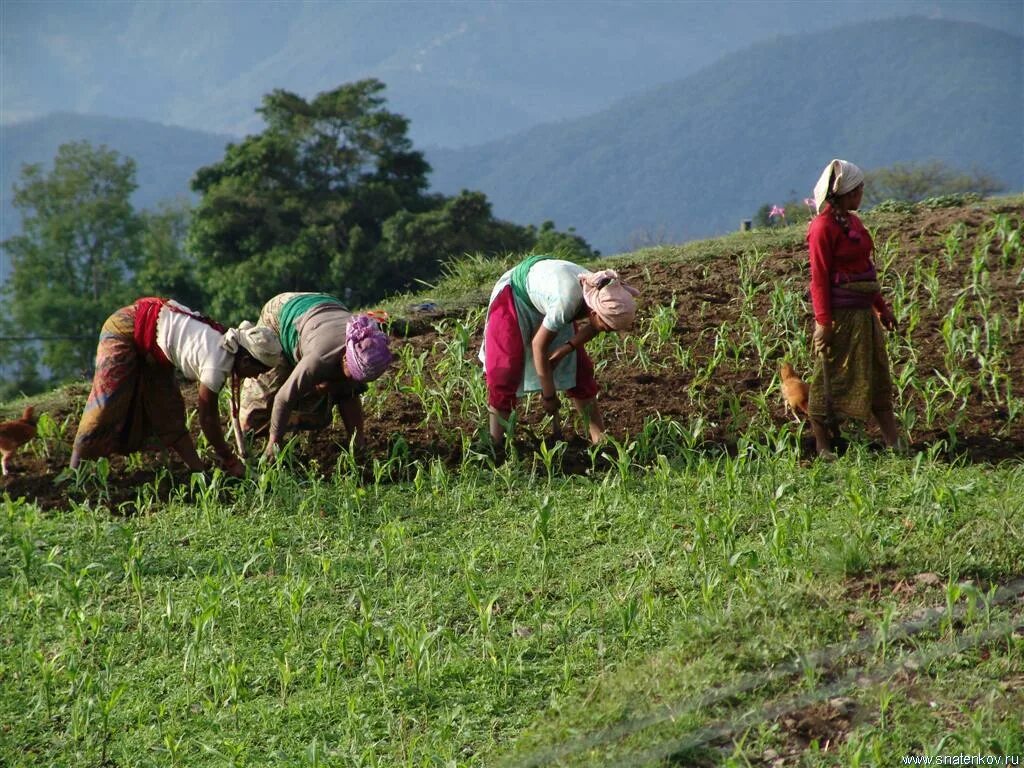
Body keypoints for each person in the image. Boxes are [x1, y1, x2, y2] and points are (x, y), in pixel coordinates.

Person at [71, 297, 283, 477]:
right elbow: (207, 418)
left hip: (156, 348)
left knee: (170, 413)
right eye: (258, 371)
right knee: (106, 402)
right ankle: (74, 473)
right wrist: (229, 459)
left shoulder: (229, 345)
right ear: (246, 360)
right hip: (127, 327)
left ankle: (199, 474)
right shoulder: (217, 361)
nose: (256, 376)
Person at [479, 254, 639, 448]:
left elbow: (596, 327)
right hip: (515, 296)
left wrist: (566, 350)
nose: (605, 332)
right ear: (595, 313)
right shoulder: (568, 301)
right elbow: (539, 346)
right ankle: (494, 443)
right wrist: (549, 396)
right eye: (607, 327)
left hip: (549, 299)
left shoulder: (603, 293)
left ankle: (600, 439)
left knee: (579, 370)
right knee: (504, 369)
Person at [807, 159, 904, 458]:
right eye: (860, 189)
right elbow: (819, 279)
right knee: (832, 376)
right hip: (841, 318)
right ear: (849, 192)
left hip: (864, 316)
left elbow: (866, 269)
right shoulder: (822, 228)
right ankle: (822, 445)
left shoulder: (853, 223)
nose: (862, 193)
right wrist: (824, 322)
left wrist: (880, 308)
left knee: (877, 375)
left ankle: (894, 442)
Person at [238, 293, 392, 459]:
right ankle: (243, 454)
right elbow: (283, 399)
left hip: (325, 309)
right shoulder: (320, 358)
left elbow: (350, 394)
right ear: (345, 358)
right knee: (255, 413)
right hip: (280, 315)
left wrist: (358, 444)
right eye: (352, 375)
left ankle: (355, 445)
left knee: (340, 390)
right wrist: (274, 443)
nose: (352, 381)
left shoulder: (365, 346)